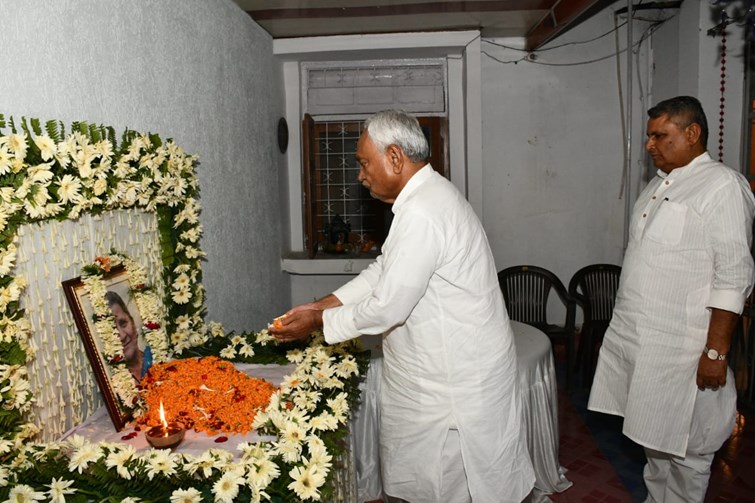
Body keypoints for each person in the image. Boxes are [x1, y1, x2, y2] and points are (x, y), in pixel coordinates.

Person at [271, 109, 534, 503]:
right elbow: (383, 271)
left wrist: (318, 323)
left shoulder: (423, 212)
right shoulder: (424, 198)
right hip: (443, 377)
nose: (360, 175)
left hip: (451, 389)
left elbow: (387, 307)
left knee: (448, 488)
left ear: (394, 157)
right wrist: (320, 306)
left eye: (363, 163)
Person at [588, 96, 755, 502]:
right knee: (655, 448)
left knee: (688, 453)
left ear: (692, 133)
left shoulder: (722, 186)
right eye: (649, 137)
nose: (649, 145)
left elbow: (733, 277)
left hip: (686, 352)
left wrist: (715, 353)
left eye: (659, 136)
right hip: (644, 346)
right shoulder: (657, 186)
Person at [105, 290, 152, 381]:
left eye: (123, 323)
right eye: (112, 330)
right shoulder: (114, 386)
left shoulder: (159, 355)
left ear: (133, 323)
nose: (122, 336)